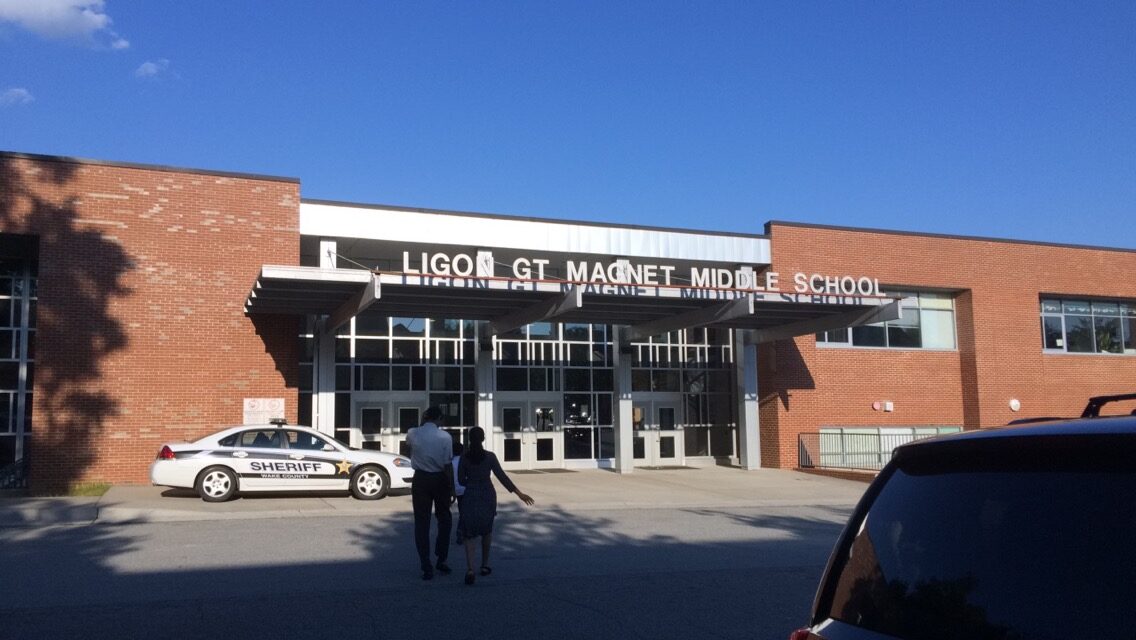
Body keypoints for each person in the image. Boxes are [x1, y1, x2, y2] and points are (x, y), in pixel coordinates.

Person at [457, 426, 534, 586]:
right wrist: (519, 494)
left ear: (470, 439)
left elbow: (461, 479)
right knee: (487, 531)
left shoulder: (464, 457)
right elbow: (502, 477)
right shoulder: (490, 457)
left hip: (471, 494)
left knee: (469, 533)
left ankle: (470, 568)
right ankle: (484, 565)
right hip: (487, 494)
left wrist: (471, 482)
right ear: (483, 439)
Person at [405, 405, 453, 580]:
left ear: (425, 417)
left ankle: (426, 565)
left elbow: (407, 448)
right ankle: (442, 557)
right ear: (439, 418)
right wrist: (452, 488)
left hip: (420, 480)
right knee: (445, 519)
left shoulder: (413, 432)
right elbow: (448, 465)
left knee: (422, 523)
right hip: (440, 479)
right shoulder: (445, 437)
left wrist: (421, 422)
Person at [450, 435, 466, 545]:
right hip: (464, 489)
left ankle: (462, 530)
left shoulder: (450, 463)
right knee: (464, 512)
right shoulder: (465, 462)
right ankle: (461, 531)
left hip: (454, 489)